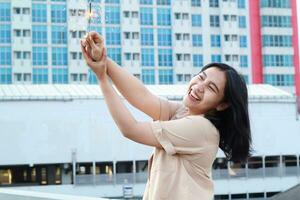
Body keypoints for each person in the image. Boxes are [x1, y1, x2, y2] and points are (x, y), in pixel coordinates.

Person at [81, 31, 253, 200]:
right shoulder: (182, 112)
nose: (199, 87)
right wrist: (101, 58)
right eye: (201, 77)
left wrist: (102, 79)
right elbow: (141, 96)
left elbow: (130, 129)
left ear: (222, 104)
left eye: (211, 88)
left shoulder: (202, 129)